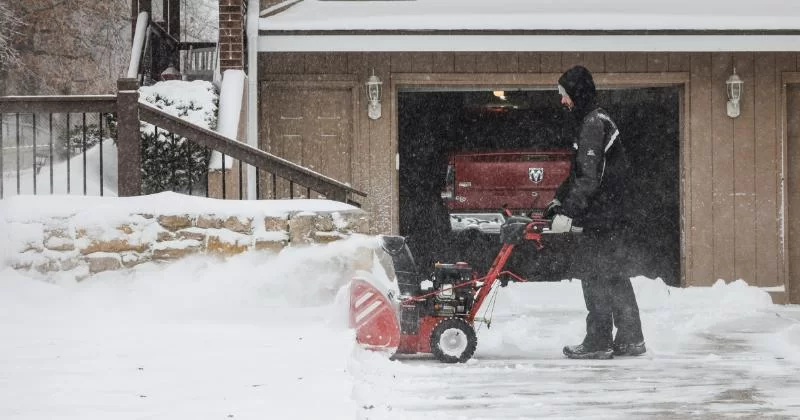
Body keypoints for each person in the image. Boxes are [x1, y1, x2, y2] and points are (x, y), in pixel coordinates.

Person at [544, 65, 646, 360]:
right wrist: (558, 201)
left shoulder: (592, 123)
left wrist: (569, 212)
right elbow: (579, 173)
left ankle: (599, 340)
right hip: (612, 214)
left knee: (595, 275)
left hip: (604, 216)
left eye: (564, 95)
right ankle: (630, 338)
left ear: (576, 93)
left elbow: (590, 179)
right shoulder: (596, 120)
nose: (562, 101)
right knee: (613, 274)